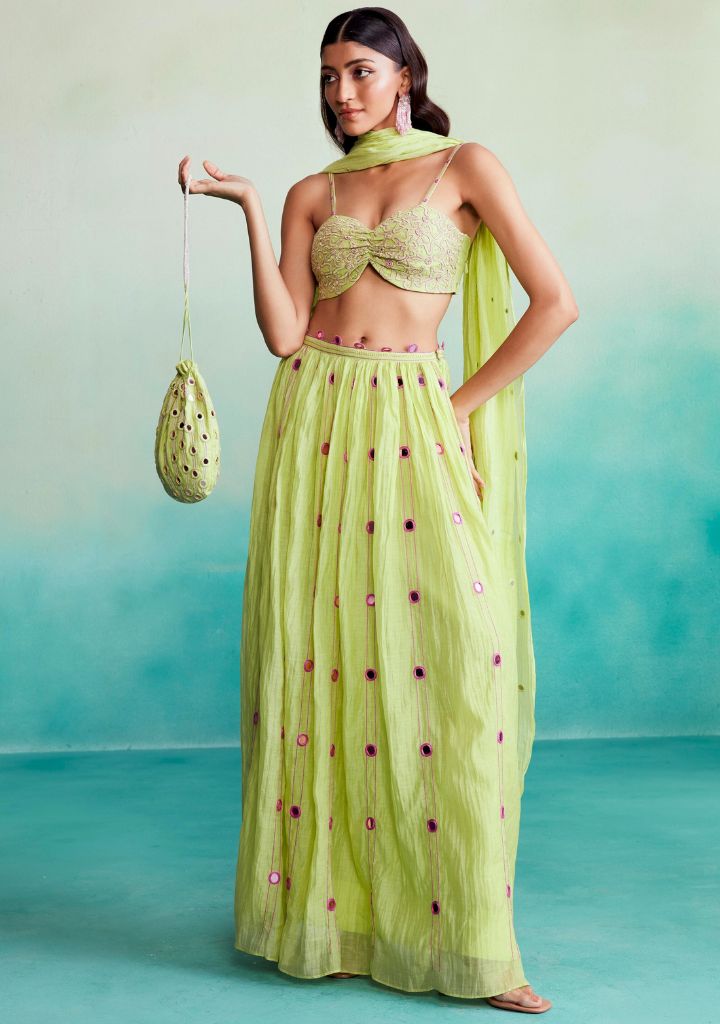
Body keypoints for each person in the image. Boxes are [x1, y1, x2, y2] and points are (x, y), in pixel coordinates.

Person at [178, 7, 577, 1014]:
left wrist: (456, 410)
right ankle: (335, 924)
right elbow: (284, 335)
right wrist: (249, 205)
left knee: (454, 665)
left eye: (360, 70)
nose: (341, 91)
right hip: (313, 419)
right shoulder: (314, 192)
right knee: (318, 657)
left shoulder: (466, 166)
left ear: (405, 75)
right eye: (328, 76)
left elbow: (555, 303)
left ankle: (476, 947)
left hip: (414, 415)